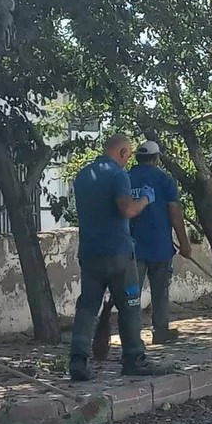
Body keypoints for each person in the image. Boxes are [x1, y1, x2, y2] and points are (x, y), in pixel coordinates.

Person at [69, 134, 169, 382]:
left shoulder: (83, 176)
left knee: (87, 307)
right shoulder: (117, 175)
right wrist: (145, 198)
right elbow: (127, 209)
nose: (127, 161)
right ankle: (134, 358)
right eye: (128, 154)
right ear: (123, 152)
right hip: (118, 253)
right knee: (130, 306)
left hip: (90, 252)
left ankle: (78, 359)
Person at [128, 140, 193, 344]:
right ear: (156, 158)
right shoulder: (164, 179)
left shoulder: (126, 178)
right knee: (160, 292)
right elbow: (174, 212)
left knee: (132, 295)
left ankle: (131, 335)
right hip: (160, 246)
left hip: (132, 248)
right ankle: (160, 331)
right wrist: (184, 243)